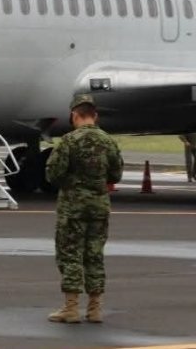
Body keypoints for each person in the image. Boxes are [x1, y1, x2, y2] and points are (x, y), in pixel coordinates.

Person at [45, 94, 123, 324]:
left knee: (70, 255)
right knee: (94, 255)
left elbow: (53, 174)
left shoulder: (69, 141)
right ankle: (95, 309)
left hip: (73, 207)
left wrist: (72, 183)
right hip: (99, 207)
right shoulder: (108, 141)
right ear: (95, 116)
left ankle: (71, 308)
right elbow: (116, 174)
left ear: (74, 115)